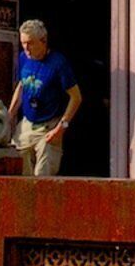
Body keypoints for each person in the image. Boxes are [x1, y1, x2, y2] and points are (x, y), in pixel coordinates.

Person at [8, 20, 81, 178]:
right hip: (27, 124)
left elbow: (76, 97)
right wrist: (9, 115)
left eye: (30, 43)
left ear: (43, 41)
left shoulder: (58, 63)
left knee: (42, 176)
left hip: (49, 126)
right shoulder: (23, 58)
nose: (26, 48)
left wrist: (61, 127)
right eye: (23, 43)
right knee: (17, 169)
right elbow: (21, 86)